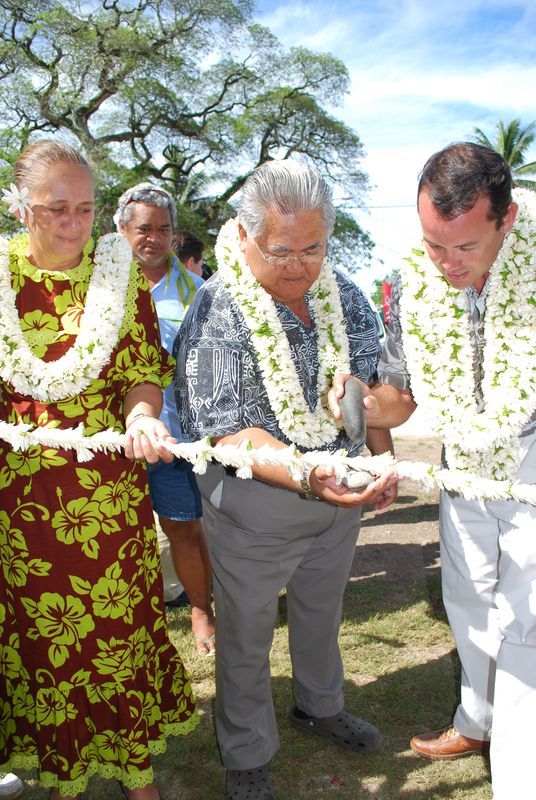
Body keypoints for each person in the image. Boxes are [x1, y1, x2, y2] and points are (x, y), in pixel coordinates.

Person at [174, 159, 398, 800]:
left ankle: (320, 708)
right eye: (280, 251)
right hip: (256, 503)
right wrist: (307, 473)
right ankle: (245, 751)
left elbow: (370, 389)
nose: (299, 265)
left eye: (313, 247)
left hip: (338, 493)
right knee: (245, 631)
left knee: (322, 613)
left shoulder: (346, 292)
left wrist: (379, 460)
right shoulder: (217, 310)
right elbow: (229, 432)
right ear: (243, 238)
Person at [331, 142, 535, 800]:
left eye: (463, 248)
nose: (444, 265)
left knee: (525, 618)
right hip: (463, 464)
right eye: (433, 245)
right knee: (467, 596)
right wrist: (361, 404)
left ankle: (517, 779)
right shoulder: (414, 282)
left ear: (505, 223)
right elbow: (402, 393)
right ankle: (475, 719)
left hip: (532, 462)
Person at [0, 142, 198, 800]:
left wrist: (144, 416)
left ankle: (136, 772)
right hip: (22, 511)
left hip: (108, 505)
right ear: (21, 206)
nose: (73, 223)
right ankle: (65, 774)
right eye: (56, 208)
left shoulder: (124, 278)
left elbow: (144, 374)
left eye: (84, 208)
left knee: (116, 639)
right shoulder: (1, 277)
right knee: (49, 645)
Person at [115, 184, 216, 654]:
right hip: (106, 439)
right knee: (117, 534)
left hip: (174, 439)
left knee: (183, 527)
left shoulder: (199, 294)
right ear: (122, 229)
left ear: (174, 234)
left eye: (163, 228)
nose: (153, 237)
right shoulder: (98, 288)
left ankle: (201, 610)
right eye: (143, 228)